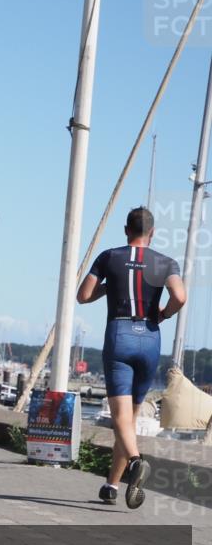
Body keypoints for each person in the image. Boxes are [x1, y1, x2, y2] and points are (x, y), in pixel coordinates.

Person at [77, 206, 186, 509]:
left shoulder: (109, 257)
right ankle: (112, 485)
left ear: (126, 230)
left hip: (120, 334)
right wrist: (164, 314)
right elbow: (180, 296)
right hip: (150, 338)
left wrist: (109, 284)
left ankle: (136, 463)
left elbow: (83, 296)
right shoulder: (166, 262)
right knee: (130, 419)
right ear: (152, 234)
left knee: (120, 418)